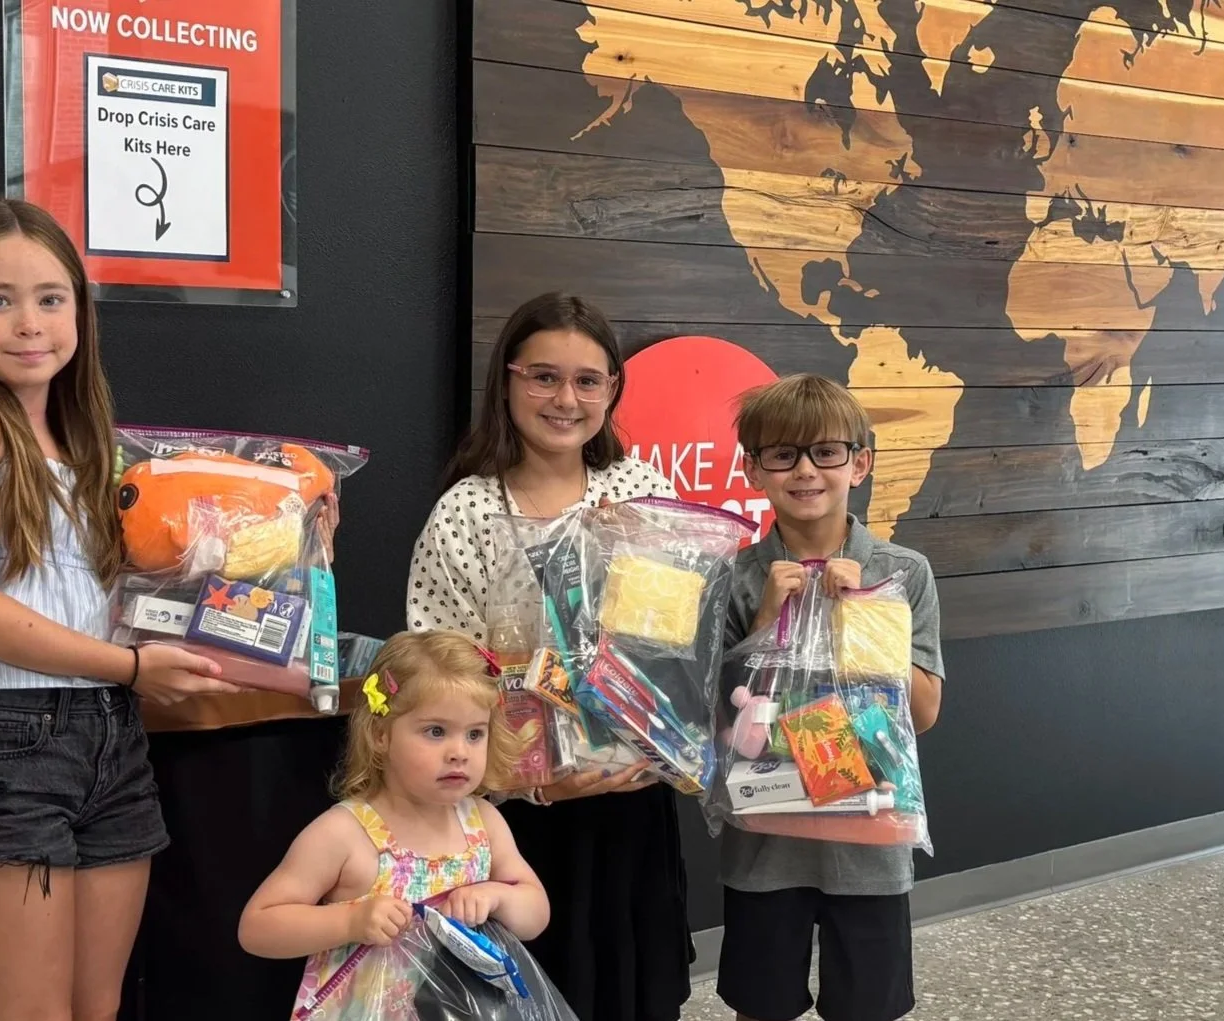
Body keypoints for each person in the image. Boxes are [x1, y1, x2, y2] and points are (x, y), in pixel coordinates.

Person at [0, 196, 235, 1021]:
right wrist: (137, 668)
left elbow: (126, 582)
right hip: (5, 736)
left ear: (79, 306)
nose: (28, 322)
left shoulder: (86, 434)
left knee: (94, 1010)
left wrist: (285, 537)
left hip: (109, 736)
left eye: (51, 297)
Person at [405, 292, 694, 1019]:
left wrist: (663, 745)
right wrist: (528, 776)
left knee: (632, 991)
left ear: (612, 390)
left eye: (587, 380)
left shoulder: (641, 492)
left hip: (631, 795)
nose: (565, 399)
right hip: (518, 816)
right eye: (543, 376)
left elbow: (675, 649)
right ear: (507, 381)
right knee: (532, 996)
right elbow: (436, 673)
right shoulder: (466, 510)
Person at [715, 374, 946, 1021]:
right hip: (764, 842)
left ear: (861, 462)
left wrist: (871, 619)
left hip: (869, 840)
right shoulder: (733, 579)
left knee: (869, 1005)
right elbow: (717, 725)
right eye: (783, 454)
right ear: (753, 467)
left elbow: (921, 716)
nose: (806, 470)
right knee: (761, 1004)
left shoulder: (902, 573)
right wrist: (765, 623)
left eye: (826, 452)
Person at [239, 630, 551, 1017]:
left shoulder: (483, 823)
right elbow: (257, 928)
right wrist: (351, 920)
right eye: (435, 732)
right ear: (381, 734)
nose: (459, 752)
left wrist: (497, 897)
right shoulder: (344, 834)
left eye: (475, 734)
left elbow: (536, 914)